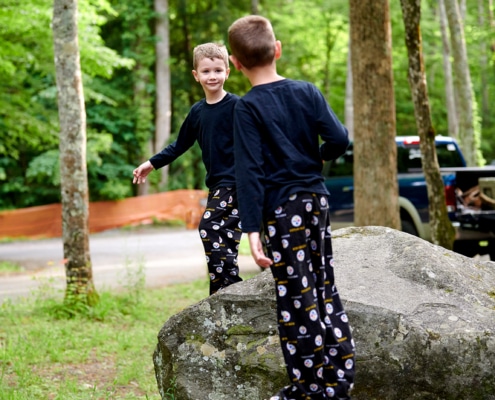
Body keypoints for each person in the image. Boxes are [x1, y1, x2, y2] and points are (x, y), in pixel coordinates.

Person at [228, 15, 355, 399]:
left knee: (296, 297)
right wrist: (314, 159)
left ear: (235, 64)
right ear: (277, 49)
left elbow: (249, 172)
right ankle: (339, 374)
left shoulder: (246, 109)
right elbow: (339, 139)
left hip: (283, 211)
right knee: (322, 284)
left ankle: (310, 388)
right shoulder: (307, 91)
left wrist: (251, 231)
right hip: (316, 202)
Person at [133, 43, 243, 295]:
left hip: (238, 181)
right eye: (206, 71)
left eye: (217, 70)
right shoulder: (197, 112)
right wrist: (152, 163)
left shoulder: (238, 106)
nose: (212, 76)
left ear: (227, 71)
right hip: (218, 184)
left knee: (209, 227)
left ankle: (230, 286)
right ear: (196, 75)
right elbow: (180, 144)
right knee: (224, 237)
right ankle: (221, 291)